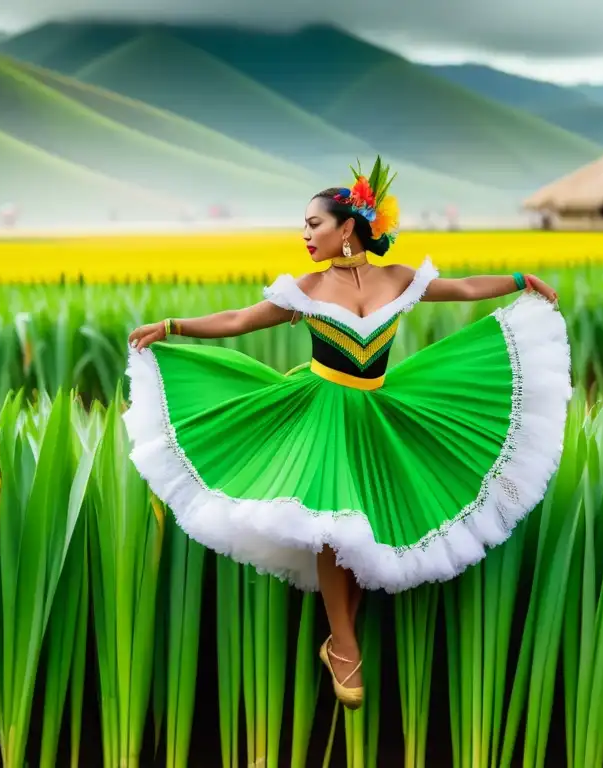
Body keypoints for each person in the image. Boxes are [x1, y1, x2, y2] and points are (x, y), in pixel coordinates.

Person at [124, 157, 571, 711]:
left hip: (378, 411)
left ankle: (340, 637)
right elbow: (239, 321)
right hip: (321, 413)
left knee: (364, 523)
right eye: (304, 226)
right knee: (335, 524)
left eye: (314, 223)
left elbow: (463, 288)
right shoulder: (305, 288)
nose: (305, 234)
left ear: (349, 226)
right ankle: (344, 642)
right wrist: (171, 327)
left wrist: (521, 280)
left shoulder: (400, 279)